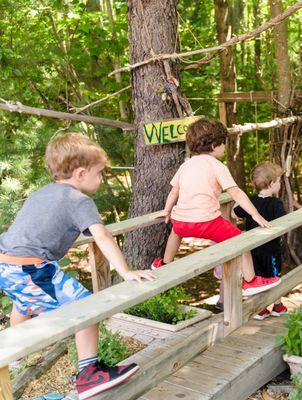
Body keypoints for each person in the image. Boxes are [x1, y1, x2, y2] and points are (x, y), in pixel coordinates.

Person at [0, 134, 156, 399]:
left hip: (7, 264)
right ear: (82, 173)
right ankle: (89, 375)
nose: (102, 179)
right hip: (30, 267)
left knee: (23, 302)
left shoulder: (41, 193)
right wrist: (126, 272)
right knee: (87, 308)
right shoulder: (78, 200)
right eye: (100, 173)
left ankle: (15, 355)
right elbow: (102, 236)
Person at [151, 119, 280, 296]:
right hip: (207, 222)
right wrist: (255, 214)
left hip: (180, 221)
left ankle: (164, 264)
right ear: (213, 146)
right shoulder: (217, 166)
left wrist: (166, 211)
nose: (225, 148)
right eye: (223, 144)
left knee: (176, 231)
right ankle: (250, 281)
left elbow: (174, 192)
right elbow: (236, 193)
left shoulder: (186, 164)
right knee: (241, 240)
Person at [232, 162, 288, 320]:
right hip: (271, 249)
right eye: (278, 181)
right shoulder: (276, 204)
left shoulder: (250, 202)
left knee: (256, 278)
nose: (280, 184)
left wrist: (239, 200)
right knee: (274, 277)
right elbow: (284, 221)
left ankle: (260, 309)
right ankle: (277, 306)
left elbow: (235, 214)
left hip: (253, 249)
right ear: (271, 184)